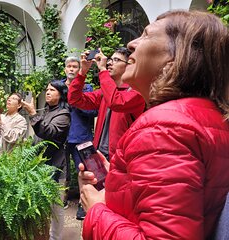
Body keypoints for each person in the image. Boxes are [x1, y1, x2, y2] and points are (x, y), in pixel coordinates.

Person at [79, 10, 229, 239]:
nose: (131, 44)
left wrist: (96, 211)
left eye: (147, 35)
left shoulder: (165, 127)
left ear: (175, 58)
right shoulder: (205, 116)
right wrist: (123, 178)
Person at [68, 47, 145, 161]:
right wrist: (82, 72)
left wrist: (103, 70)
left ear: (129, 65)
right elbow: (74, 99)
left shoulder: (137, 92)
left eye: (116, 60)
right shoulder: (105, 92)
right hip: (99, 155)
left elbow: (116, 102)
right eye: (110, 59)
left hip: (122, 160)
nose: (109, 63)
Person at [22, 80, 71, 240]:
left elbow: (49, 132)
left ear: (61, 94)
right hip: (41, 166)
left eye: (52, 90)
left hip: (56, 166)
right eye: (47, 89)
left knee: (56, 207)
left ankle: (54, 238)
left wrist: (32, 114)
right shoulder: (48, 111)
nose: (48, 92)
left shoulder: (64, 115)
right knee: (41, 205)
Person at [61, 56, 97, 219]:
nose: (71, 69)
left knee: (85, 171)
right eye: (68, 66)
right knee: (59, 171)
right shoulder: (57, 87)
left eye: (75, 66)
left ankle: (84, 204)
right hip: (61, 136)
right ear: (64, 69)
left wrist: (76, 101)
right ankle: (60, 201)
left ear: (79, 69)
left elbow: (92, 111)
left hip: (81, 136)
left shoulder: (87, 88)